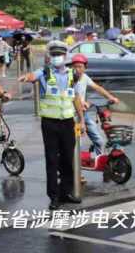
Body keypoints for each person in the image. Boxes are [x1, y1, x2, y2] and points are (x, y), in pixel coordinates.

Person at [18, 41, 85, 210]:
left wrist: (82, 119)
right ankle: (54, 196)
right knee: (52, 160)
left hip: (68, 122)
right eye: (54, 55)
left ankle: (66, 193)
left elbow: (75, 98)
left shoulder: (72, 74)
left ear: (65, 57)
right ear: (50, 57)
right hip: (50, 123)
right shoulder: (45, 73)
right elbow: (32, 76)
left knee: (68, 159)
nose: (57, 58)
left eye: (59, 55)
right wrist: (26, 77)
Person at [69, 54, 120, 158]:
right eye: (75, 67)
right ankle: (74, 171)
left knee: (99, 141)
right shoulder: (68, 78)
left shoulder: (85, 77)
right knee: (76, 145)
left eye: (80, 67)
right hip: (72, 115)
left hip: (83, 113)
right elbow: (72, 96)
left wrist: (110, 97)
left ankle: (98, 160)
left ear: (85, 68)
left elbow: (97, 88)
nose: (77, 69)